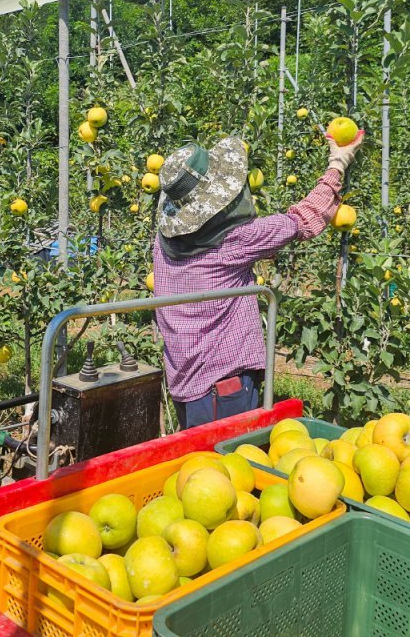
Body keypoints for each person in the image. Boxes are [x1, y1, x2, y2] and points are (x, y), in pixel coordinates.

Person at [152, 127, 364, 429]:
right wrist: (338, 163)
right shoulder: (236, 242)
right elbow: (304, 217)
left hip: (183, 382)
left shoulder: (163, 241)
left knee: (198, 468)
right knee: (227, 467)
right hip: (223, 387)